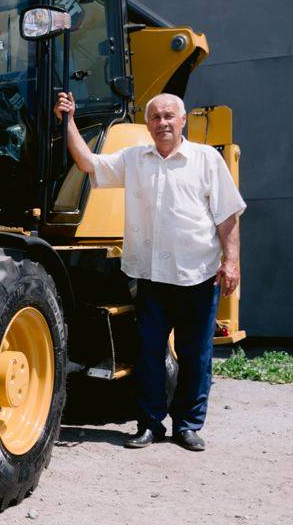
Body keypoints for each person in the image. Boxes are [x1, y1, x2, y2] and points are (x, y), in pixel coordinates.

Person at [55, 91, 245, 451]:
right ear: (148, 124)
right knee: (149, 353)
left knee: (195, 356)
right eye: (156, 117)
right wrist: (70, 120)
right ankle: (149, 425)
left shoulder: (206, 160)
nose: (163, 123)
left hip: (198, 275)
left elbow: (227, 216)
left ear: (183, 120)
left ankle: (188, 425)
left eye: (169, 116)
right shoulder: (134, 159)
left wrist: (230, 262)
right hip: (151, 276)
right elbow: (87, 163)